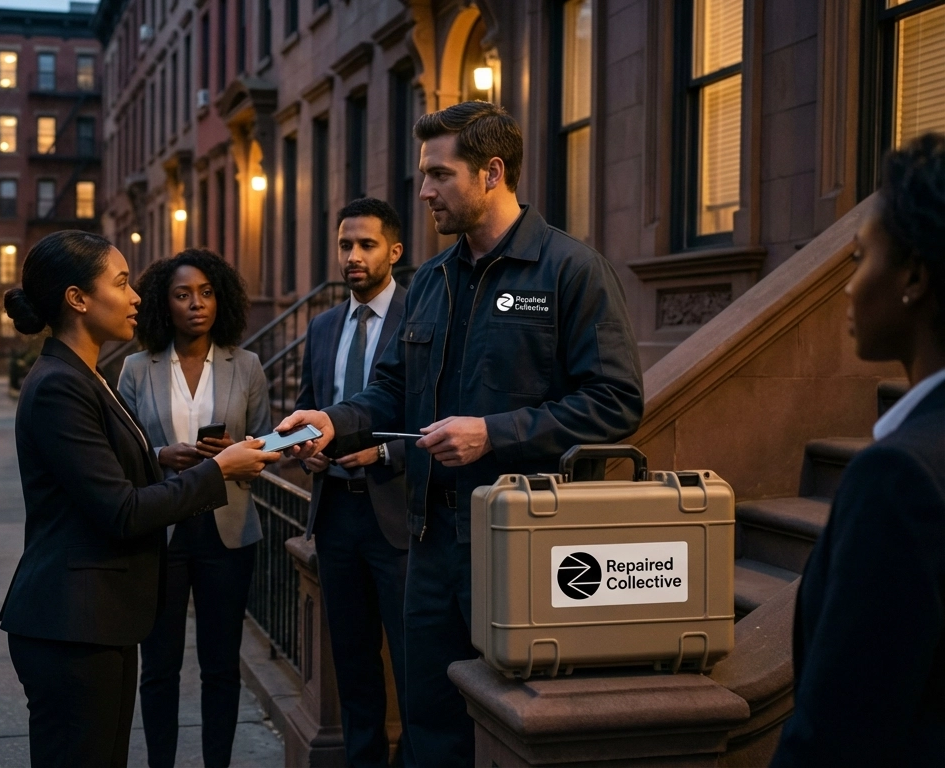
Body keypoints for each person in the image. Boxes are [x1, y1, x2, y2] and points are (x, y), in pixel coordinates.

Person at [277, 101, 644, 765]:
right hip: (430, 542)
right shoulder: (433, 282)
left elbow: (616, 402)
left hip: (524, 547)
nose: (423, 192)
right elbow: (391, 389)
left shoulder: (570, 270)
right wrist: (332, 420)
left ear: (492, 172)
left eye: (439, 175)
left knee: (510, 725)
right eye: (424, 175)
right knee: (429, 725)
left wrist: (493, 433)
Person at [0, 230, 280, 767]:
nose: (135, 297)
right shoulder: (61, 383)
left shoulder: (90, 374)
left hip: (99, 620)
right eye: (123, 283)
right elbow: (121, 509)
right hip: (72, 623)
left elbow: (110, 478)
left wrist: (163, 461)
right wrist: (219, 468)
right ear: (77, 299)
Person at [772, 133, 945, 766]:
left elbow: (840, 733)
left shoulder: (898, 478)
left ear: (915, 276)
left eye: (859, 256)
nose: (847, 286)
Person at [117, 248, 272, 768]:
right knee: (158, 667)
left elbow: (264, 447)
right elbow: (122, 450)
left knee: (220, 666)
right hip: (161, 530)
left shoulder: (246, 364)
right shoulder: (136, 368)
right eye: (183, 295)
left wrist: (236, 454)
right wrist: (162, 454)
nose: (196, 304)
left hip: (226, 531)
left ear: (220, 297)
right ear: (165, 303)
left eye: (205, 292)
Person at [295, 197, 412, 768]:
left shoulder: (420, 319)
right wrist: (306, 455)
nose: (353, 256)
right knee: (354, 665)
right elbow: (305, 410)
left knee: (414, 664)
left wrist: (387, 450)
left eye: (366, 245)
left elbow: (439, 415)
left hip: (399, 516)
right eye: (345, 245)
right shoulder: (320, 327)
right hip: (336, 514)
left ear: (395, 250)